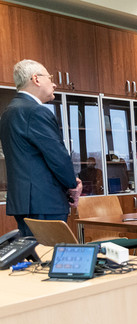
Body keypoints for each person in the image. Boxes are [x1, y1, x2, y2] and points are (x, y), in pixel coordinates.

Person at [0, 60, 80, 237]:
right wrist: (72, 184)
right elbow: (57, 156)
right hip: (45, 201)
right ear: (36, 79)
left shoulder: (8, 112)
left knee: (34, 260)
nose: (54, 83)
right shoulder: (36, 111)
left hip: (23, 202)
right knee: (50, 258)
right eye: (50, 77)